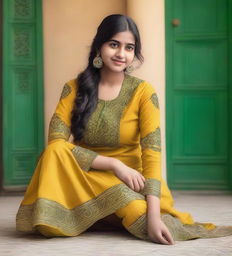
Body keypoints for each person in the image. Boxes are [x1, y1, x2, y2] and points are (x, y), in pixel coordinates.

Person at [16, 14, 232, 245]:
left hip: (130, 184)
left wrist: (153, 213)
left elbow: (152, 154)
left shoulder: (143, 93)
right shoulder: (73, 89)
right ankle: (92, 215)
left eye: (129, 48)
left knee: (143, 221)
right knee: (54, 152)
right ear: (99, 46)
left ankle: (102, 216)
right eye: (114, 44)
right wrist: (113, 164)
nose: (121, 54)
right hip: (83, 180)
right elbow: (56, 144)